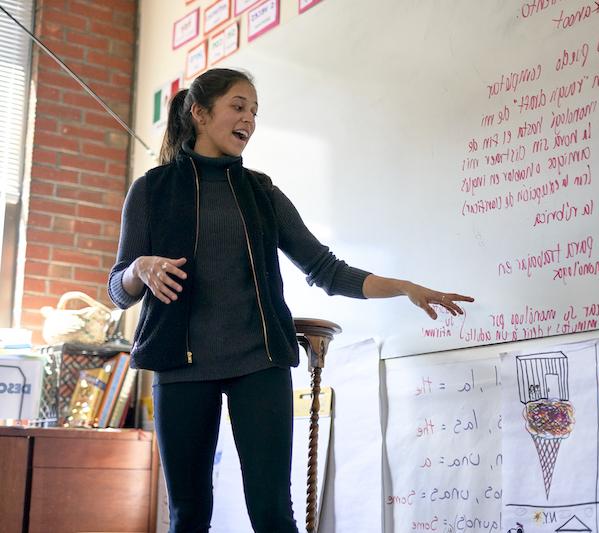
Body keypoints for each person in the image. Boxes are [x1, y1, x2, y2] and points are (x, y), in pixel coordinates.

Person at [108, 68, 473, 533]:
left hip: (260, 364)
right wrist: (140, 268)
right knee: (189, 517)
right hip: (178, 367)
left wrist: (404, 286)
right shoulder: (151, 191)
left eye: (255, 111)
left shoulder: (262, 193)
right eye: (239, 106)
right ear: (200, 113)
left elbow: (327, 270)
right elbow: (118, 289)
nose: (250, 120)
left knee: (273, 516)